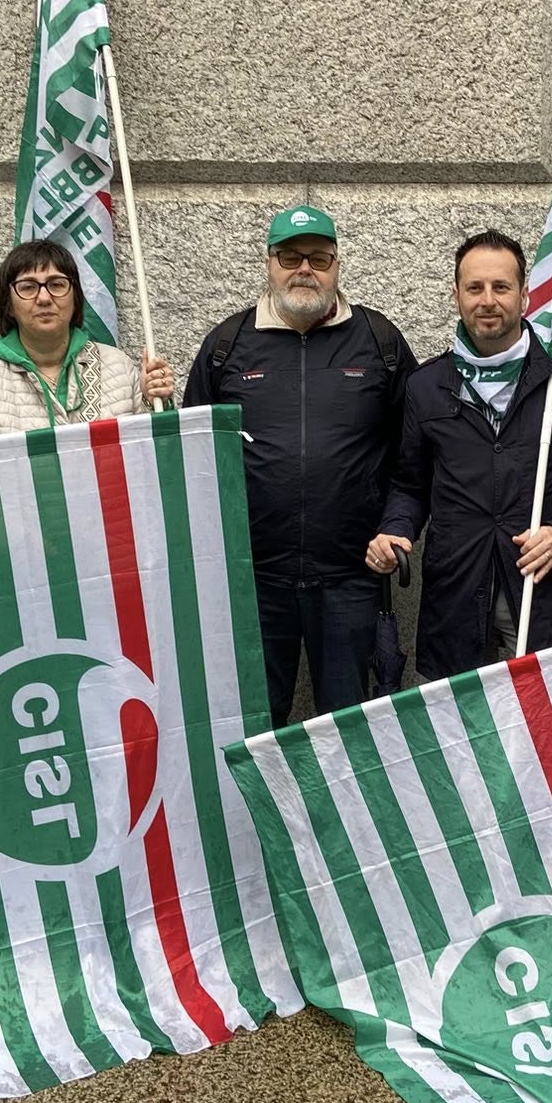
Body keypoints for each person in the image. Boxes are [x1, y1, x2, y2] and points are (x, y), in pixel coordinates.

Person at [183, 205, 417, 725]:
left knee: (350, 730)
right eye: (290, 257)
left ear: (337, 265)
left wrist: (397, 528)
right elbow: (194, 463)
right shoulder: (227, 346)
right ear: (269, 263)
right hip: (254, 583)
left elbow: (415, 460)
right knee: (254, 729)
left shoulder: (379, 342)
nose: (304, 269)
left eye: (318, 257)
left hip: (352, 578)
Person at [367, 230, 552, 677]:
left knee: (538, 719)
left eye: (501, 287)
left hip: (538, 596)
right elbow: (409, 486)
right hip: (454, 597)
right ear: (456, 295)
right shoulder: (426, 387)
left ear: (524, 295)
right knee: (457, 721)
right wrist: (394, 530)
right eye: (475, 288)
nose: (487, 300)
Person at [0, 239, 174, 438]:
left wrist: (153, 401)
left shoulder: (118, 366)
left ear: (75, 298)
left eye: (56, 285)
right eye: (28, 287)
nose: (44, 298)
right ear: (9, 304)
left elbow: (151, 453)